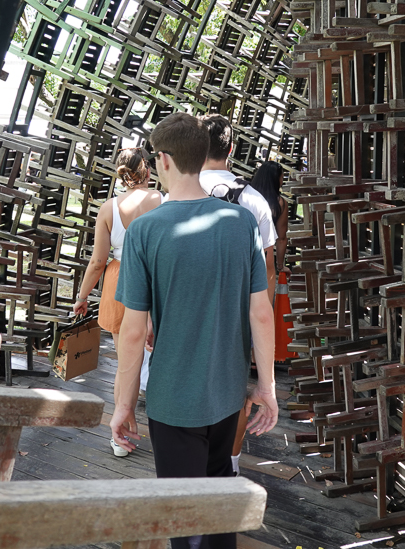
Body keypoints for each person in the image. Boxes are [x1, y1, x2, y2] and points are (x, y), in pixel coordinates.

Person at [110, 112, 277, 549]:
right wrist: (266, 387)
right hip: (227, 392)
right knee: (219, 502)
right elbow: (261, 313)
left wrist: (123, 404)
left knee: (183, 515)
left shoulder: (145, 231)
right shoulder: (241, 222)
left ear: (163, 160)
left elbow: (133, 333)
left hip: (173, 397)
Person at [199, 114, 277, 475]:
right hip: (240, 311)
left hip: (189, 308)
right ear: (231, 148)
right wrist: (263, 317)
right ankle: (229, 463)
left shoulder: (178, 193)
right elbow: (268, 268)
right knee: (235, 390)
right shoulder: (255, 200)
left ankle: (191, 459)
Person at [73, 147, 162, 457]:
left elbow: (98, 261)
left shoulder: (108, 208)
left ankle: (120, 435)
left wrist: (82, 296)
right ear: (147, 169)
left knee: (126, 364)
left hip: (117, 281)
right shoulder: (162, 201)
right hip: (153, 281)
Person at [250, 160, 290, 274]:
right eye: (282, 177)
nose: (282, 181)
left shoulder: (247, 196)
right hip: (264, 255)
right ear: (276, 179)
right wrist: (280, 266)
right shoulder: (280, 203)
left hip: (242, 249)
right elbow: (281, 239)